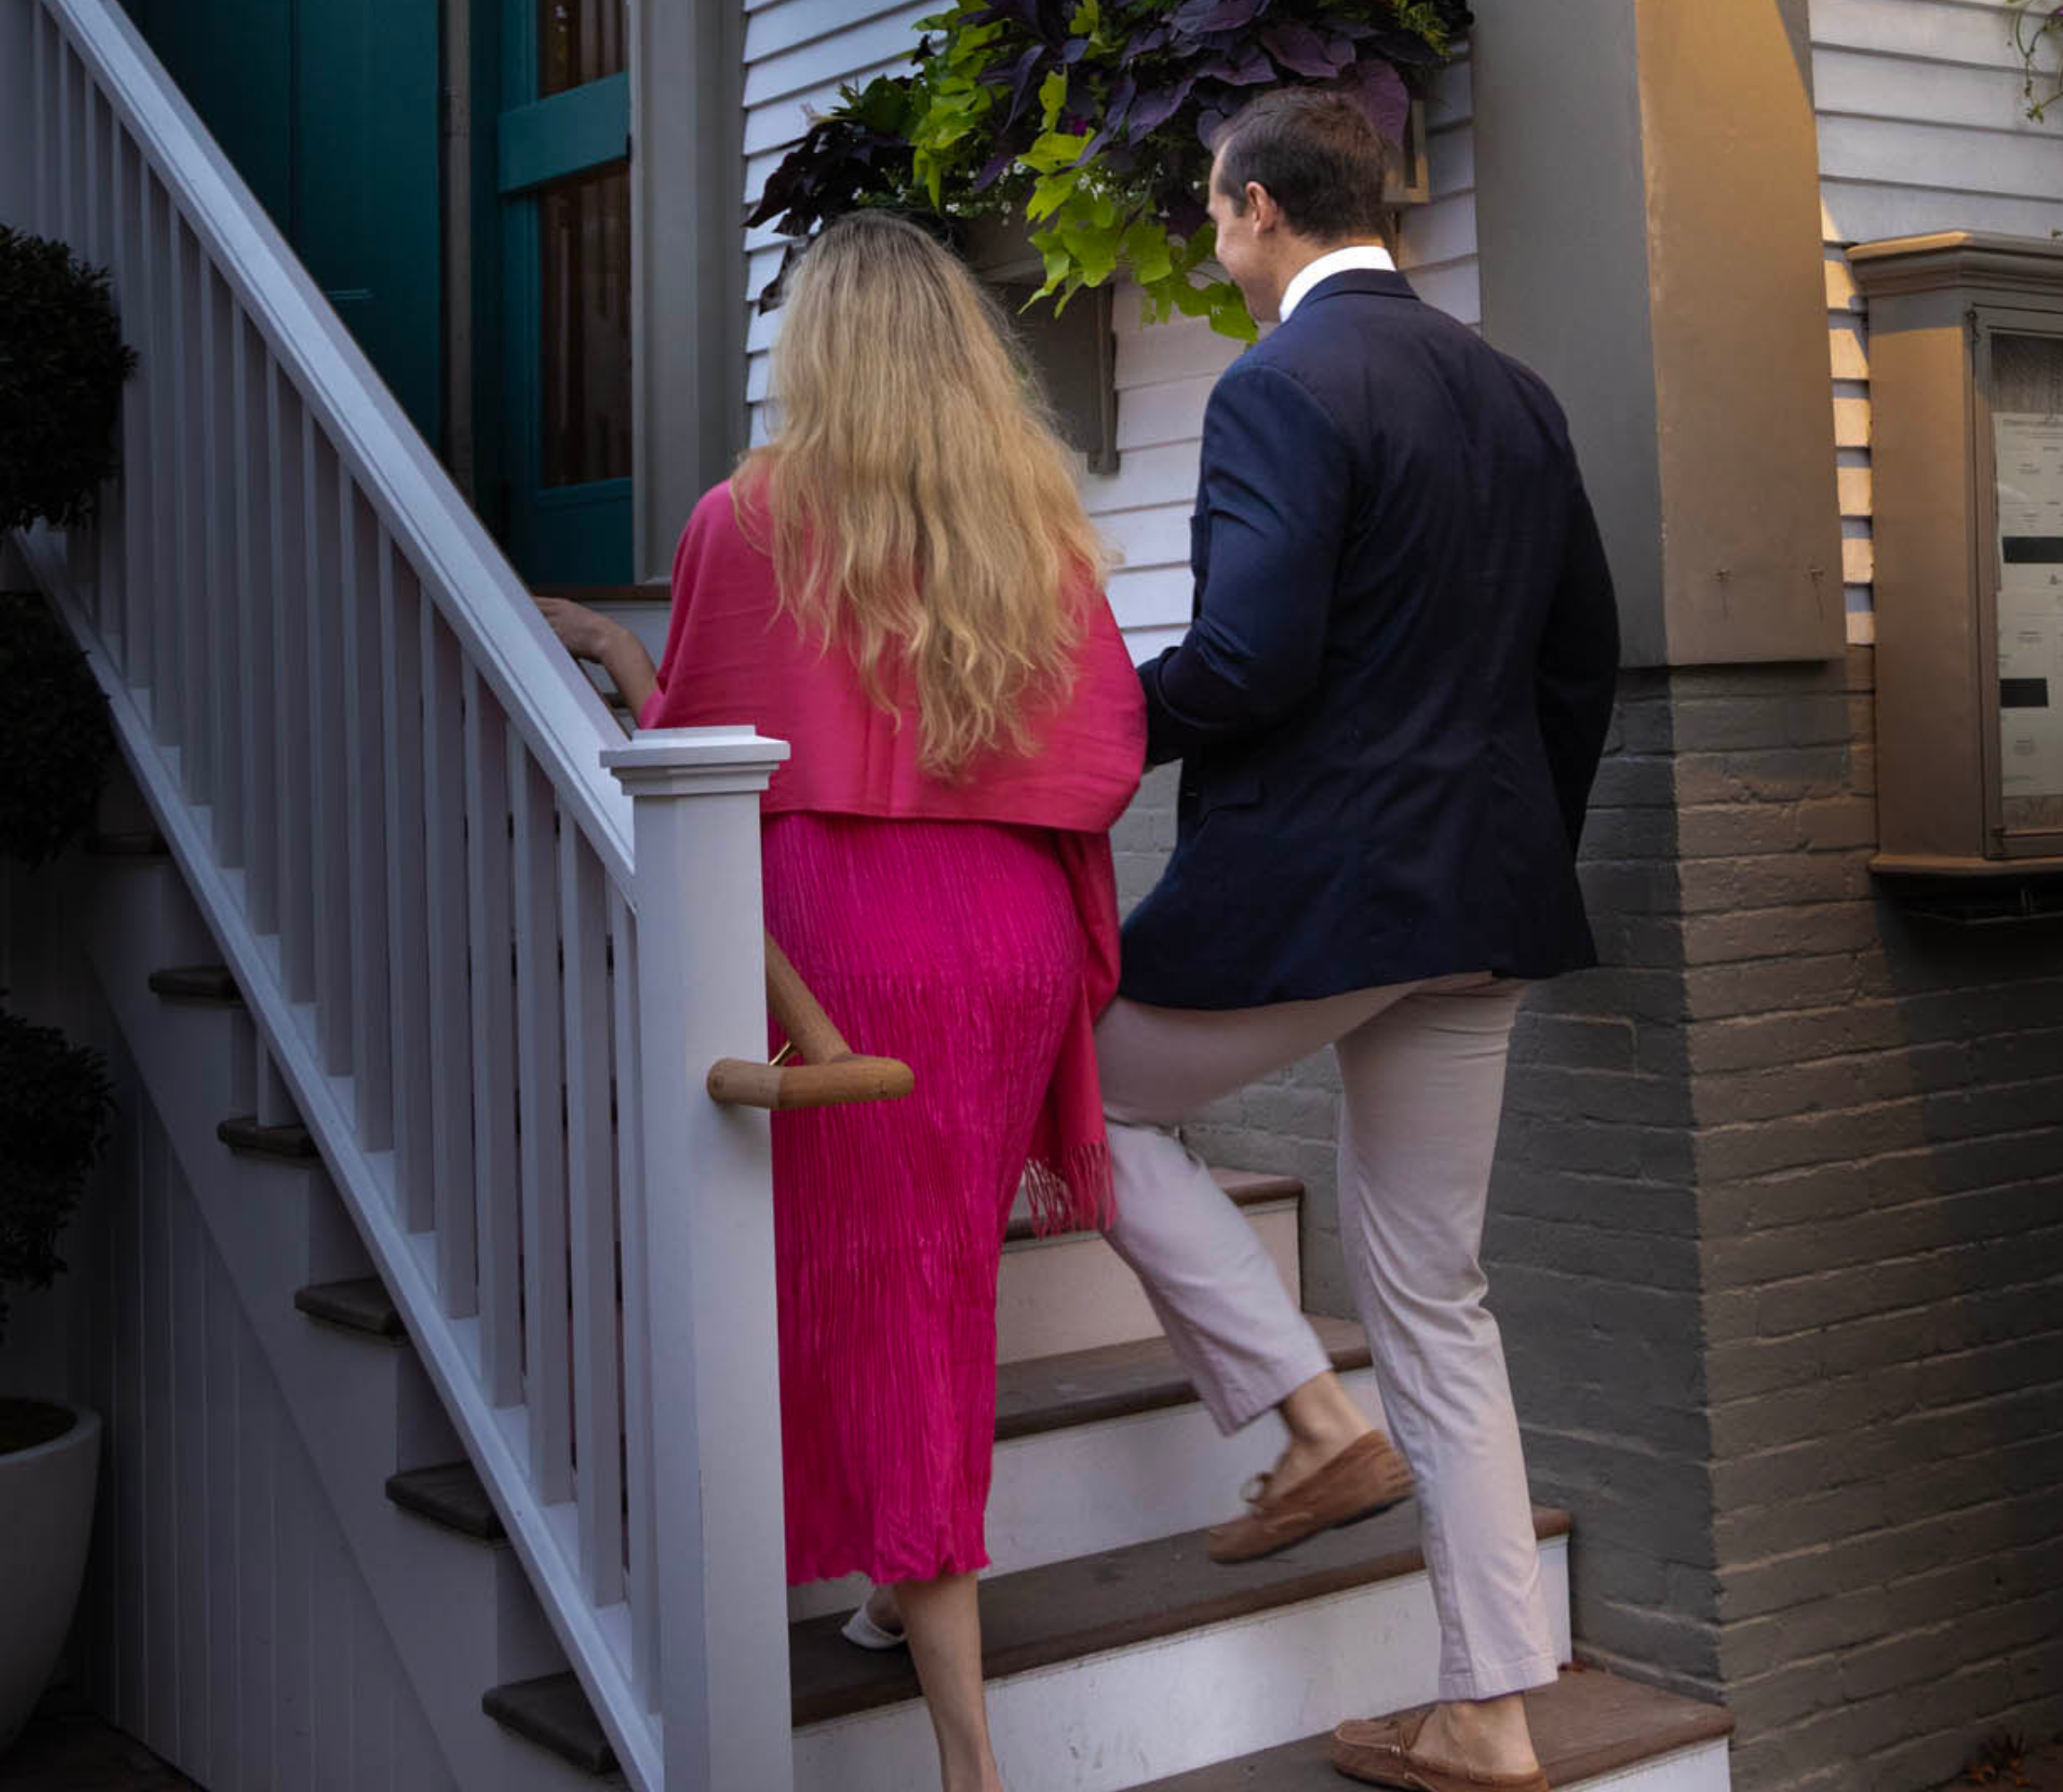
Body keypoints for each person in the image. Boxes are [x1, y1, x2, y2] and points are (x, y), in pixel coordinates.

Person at [537, 211, 1146, 1792]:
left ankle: (969, 1754)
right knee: (931, 1287)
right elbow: (1103, 756)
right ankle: (902, 1581)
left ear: (813, 349)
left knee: (856, 1302)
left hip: (838, 947)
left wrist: (613, 648)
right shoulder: (1033, 519)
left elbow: (697, 743)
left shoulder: (747, 515)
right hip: (1002, 938)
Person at [1092, 90, 1619, 1792]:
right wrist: (1513, 847)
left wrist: (1083, 725)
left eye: (1212, 212)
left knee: (1075, 1095)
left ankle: (1312, 1422)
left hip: (1331, 896)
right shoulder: (1515, 393)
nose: (1215, 237)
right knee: (1439, 1300)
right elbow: (1578, 667)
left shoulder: (1277, 386)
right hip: (1487, 896)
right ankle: (1488, 1714)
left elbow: (1245, 662)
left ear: (1256, 210)